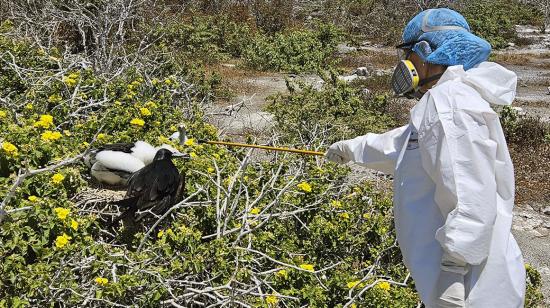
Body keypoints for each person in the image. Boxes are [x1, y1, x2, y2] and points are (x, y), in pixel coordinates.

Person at [325, 8, 525, 308]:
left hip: (469, 289)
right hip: (459, 281)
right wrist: (351, 148)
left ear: (425, 52)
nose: (404, 64)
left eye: (407, 54)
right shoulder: (447, 100)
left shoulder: (452, 104)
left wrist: (454, 272)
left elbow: (470, 193)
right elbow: (405, 146)